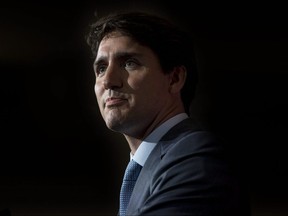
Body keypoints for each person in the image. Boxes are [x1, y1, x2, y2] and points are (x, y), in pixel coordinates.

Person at [86, 11, 249, 216]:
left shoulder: (197, 159)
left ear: (174, 78)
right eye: (101, 68)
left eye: (129, 63)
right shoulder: (150, 167)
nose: (108, 80)